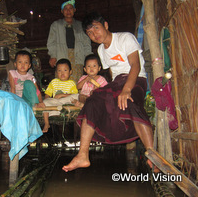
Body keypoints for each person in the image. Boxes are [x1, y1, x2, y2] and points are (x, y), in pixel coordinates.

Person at [62, 12, 157, 172]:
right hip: (117, 82)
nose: (94, 34)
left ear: (105, 25)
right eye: (90, 33)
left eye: (96, 29)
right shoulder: (101, 50)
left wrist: (126, 90)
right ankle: (82, 155)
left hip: (136, 79)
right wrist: (111, 92)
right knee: (94, 100)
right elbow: (113, 73)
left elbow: (135, 65)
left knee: (132, 104)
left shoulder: (125, 38)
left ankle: (152, 155)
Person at [47, 0, 92, 83]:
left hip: (78, 57)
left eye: (70, 8)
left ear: (74, 10)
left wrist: (88, 57)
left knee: (77, 82)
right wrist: (53, 55)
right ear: (62, 11)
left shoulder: (80, 25)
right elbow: (51, 42)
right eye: (66, 9)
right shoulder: (56, 25)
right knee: (62, 82)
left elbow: (86, 43)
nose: (68, 11)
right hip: (61, 56)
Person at [42, 59, 78, 133]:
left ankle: (58, 112)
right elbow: (47, 94)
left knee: (77, 96)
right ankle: (46, 123)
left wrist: (62, 95)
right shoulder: (54, 82)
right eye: (59, 71)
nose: (62, 73)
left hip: (66, 102)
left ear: (70, 72)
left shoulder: (72, 83)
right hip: (55, 102)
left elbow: (73, 95)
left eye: (65, 70)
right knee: (45, 101)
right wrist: (45, 103)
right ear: (56, 73)